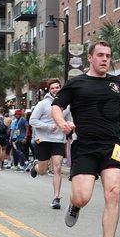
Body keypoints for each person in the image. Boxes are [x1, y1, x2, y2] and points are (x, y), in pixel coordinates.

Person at [51, 40, 120, 237]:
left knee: (113, 193)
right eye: (100, 55)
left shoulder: (117, 83)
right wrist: (62, 123)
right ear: (90, 57)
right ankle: (74, 205)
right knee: (82, 197)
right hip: (85, 146)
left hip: (112, 145)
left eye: (108, 55)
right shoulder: (76, 83)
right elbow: (57, 106)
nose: (105, 59)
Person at [29, 78, 72, 209]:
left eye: (57, 87)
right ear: (49, 89)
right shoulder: (43, 104)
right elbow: (32, 120)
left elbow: (69, 119)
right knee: (42, 170)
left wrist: (70, 124)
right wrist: (48, 126)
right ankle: (36, 167)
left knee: (57, 167)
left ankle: (56, 198)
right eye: (52, 88)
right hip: (43, 140)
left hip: (58, 140)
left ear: (60, 88)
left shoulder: (66, 105)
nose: (55, 90)